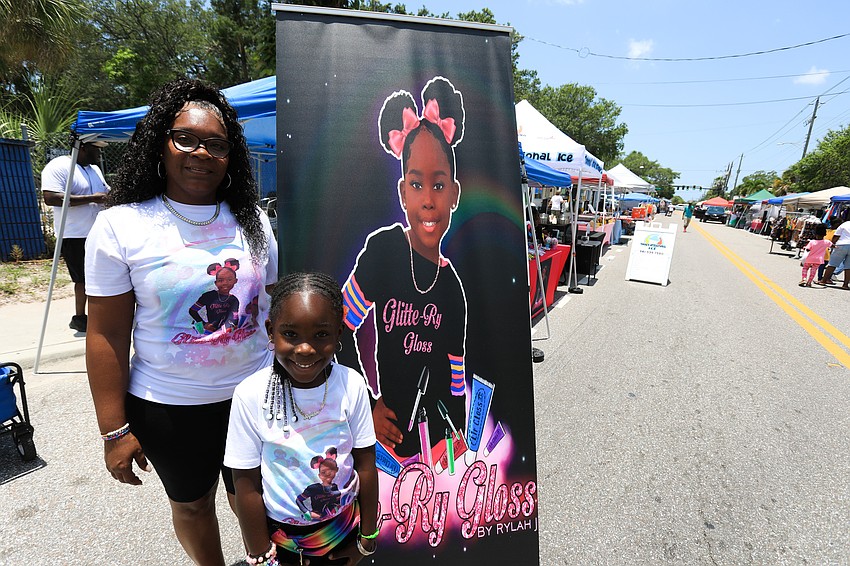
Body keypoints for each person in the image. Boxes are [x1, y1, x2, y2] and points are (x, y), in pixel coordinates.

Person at [84, 77, 278, 566]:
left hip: (254, 399)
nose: (201, 153)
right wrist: (113, 430)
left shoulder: (254, 220)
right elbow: (105, 333)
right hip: (169, 406)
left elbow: (270, 307)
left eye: (217, 144)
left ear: (231, 156)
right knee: (192, 505)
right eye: (185, 138)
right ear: (160, 143)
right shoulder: (122, 225)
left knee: (256, 498)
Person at [338, 76, 467, 458]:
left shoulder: (453, 291)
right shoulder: (384, 251)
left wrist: (454, 437)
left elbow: (455, 381)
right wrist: (366, 404)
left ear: (455, 195)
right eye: (416, 185)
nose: (428, 200)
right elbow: (340, 327)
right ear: (402, 194)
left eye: (439, 186)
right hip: (379, 437)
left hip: (436, 450)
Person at [225, 272, 378, 566]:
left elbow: (366, 466)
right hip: (281, 543)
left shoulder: (352, 385)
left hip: (343, 534)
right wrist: (260, 554)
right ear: (271, 331)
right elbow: (246, 485)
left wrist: (367, 539)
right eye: (291, 334)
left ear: (338, 334)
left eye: (321, 334)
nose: (305, 348)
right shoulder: (250, 394)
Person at [41, 140, 110, 332]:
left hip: (98, 231)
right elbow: (51, 198)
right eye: (96, 150)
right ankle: (80, 318)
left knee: (102, 276)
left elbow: (105, 192)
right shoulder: (59, 166)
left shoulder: (94, 169)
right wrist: (93, 199)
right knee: (82, 279)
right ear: (83, 148)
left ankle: (102, 314)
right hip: (74, 234)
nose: (99, 154)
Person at [817, 219, 850, 289]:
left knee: (832, 264)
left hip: (842, 244)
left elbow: (836, 236)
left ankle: (823, 280)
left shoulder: (844, 224)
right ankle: (845, 285)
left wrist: (831, 245)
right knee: (848, 267)